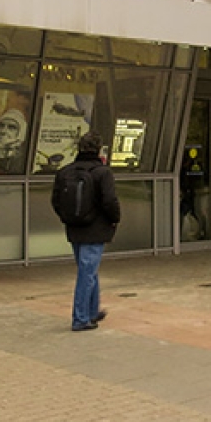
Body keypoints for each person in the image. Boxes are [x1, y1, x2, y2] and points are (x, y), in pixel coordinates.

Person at [51, 132, 120, 332]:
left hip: (74, 228)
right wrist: (115, 218)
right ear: (98, 149)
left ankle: (92, 310)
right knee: (87, 272)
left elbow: (55, 201)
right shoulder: (102, 172)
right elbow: (109, 200)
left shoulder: (65, 172)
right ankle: (80, 318)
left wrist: (68, 217)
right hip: (96, 228)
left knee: (88, 270)